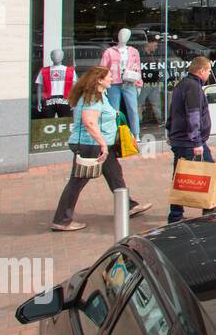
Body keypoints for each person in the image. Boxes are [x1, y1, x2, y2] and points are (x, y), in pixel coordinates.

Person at [50, 66, 152, 232]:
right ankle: (62, 220)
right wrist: (103, 144)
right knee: (77, 181)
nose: (112, 79)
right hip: (91, 145)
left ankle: (128, 205)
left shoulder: (100, 96)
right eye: (109, 76)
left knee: (114, 174)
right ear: (99, 80)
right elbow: (89, 122)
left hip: (101, 145)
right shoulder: (93, 97)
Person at [167, 56, 216, 224]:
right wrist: (197, 141)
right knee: (208, 170)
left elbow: (173, 110)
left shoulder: (182, 84)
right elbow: (193, 115)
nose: (209, 74)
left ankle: (176, 214)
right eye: (209, 71)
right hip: (190, 140)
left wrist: (170, 130)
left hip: (180, 138)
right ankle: (208, 210)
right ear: (201, 70)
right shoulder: (194, 87)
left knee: (180, 175)